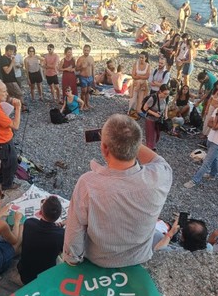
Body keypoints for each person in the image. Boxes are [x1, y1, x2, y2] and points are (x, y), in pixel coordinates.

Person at [63, 114, 172, 267]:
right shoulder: (160, 176)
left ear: (104, 148)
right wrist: (128, 139)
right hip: (139, 258)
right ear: (137, 144)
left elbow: (74, 232)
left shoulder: (88, 183)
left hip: (99, 261)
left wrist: (72, 260)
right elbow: (157, 160)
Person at [184, 93, 218, 188]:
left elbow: (215, 127)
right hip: (211, 138)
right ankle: (213, 174)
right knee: (214, 158)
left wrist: (216, 118)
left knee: (206, 162)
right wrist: (216, 120)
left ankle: (195, 180)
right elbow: (209, 123)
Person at [17, 196, 65, 284]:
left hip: (25, 275)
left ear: (40, 212)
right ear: (59, 215)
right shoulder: (62, 235)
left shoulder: (29, 223)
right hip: (44, 278)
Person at [142, 84, 170, 150]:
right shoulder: (153, 98)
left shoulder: (166, 97)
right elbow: (145, 108)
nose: (166, 95)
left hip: (159, 119)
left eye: (167, 94)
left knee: (157, 133)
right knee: (150, 134)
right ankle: (150, 148)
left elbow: (166, 106)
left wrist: (166, 115)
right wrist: (154, 114)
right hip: (150, 119)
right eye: (165, 93)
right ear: (160, 91)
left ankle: (152, 146)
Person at [0, 44, 26, 112]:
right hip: (9, 80)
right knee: (19, 93)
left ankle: (9, 108)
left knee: (9, 95)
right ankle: (23, 107)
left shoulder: (8, 58)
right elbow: (7, 71)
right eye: (11, 51)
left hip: (11, 79)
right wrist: (12, 62)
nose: (12, 53)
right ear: (8, 51)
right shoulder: (3, 59)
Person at [76, 44, 94, 109]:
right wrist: (82, 67)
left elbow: (93, 69)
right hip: (83, 77)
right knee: (83, 91)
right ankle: (83, 104)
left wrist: (93, 78)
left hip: (90, 77)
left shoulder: (91, 58)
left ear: (90, 51)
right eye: (85, 50)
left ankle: (87, 103)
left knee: (88, 91)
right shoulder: (80, 59)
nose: (86, 52)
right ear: (83, 50)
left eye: (88, 50)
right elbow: (76, 69)